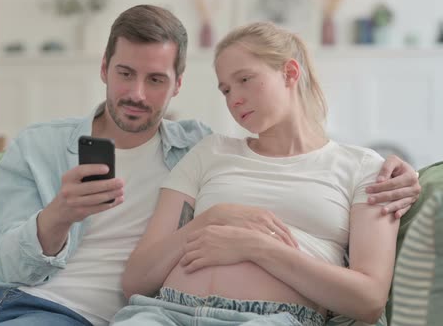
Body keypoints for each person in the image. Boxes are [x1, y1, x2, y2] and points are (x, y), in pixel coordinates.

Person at [0, 5, 420, 326]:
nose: (137, 93)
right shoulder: (41, 145)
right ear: (104, 69)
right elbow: (14, 264)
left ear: (176, 86)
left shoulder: (197, 147)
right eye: (125, 73)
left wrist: (405, 168)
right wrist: (58, 216)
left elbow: (367, 292)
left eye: (156, 79)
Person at [113, 22, 408, 326]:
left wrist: (256, 247)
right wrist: (214, 217)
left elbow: (369, 301)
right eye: (225, 89)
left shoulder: (363, 167)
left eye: (245, 79)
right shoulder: (209, 151)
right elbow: (136, 280)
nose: (233, 99)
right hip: (165, 313)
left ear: (290, 73)